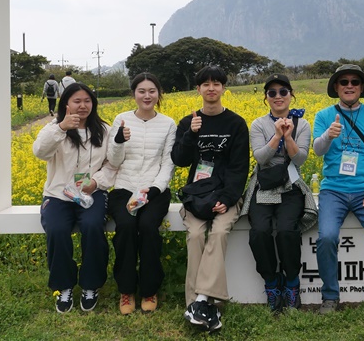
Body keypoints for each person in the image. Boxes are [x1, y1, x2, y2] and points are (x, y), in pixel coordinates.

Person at [312, 64, 364, 321]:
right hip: (333, 191)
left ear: (361, 88)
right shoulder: (324, 116)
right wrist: (328, 135)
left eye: (355, 82)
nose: (349, 85)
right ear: (336, 87)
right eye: (344, 82)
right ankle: (330, 295)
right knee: (326, 238)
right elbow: (317, 150)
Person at [172, 66, 249, 332]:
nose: (211, 88)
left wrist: (228, 198)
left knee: (218, 232)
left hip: (226, 195)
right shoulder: (188, 122)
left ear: (224, 88)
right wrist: (191, 135)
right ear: (198, 90)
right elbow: (179, 161)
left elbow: (240, 167)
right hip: (198, 196)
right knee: (194, 236)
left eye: (217, 83)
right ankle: (200, 304)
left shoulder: (236, 124)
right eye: (206, 84)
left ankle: (200, 301)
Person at [32, 82, 117, 313]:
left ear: (93, 104)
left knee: (92, 226)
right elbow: (40, 152)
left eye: (87, 101)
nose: (82, 106)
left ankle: (91, 285)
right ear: (66, 104)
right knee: (57, 230)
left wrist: (96, 182)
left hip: (91, 192)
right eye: (76, 101)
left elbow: (112, 165)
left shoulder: (105, 130)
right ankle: (64, 286)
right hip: (59, 194)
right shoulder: (54, 128)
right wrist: (61, 128)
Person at [239, 74, 318, 313]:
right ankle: (272, 283)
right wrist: (276, 135)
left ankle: (292, 283)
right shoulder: (258, 124)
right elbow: (260, 157)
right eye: (272, 93)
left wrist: (288, 135)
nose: (278, 96)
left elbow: (301, 158)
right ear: (266, 98)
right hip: (264, 185)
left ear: (291, 95)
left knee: (287, 230)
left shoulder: (302, 124)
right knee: (259, 232)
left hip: (290, 185)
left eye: (283, 91)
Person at [106, 72, 177, 315]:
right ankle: (127, 290)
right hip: (124, 188)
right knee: (125, 227)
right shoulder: (121, 120)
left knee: (148, 227)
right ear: (134, 94)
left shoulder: (168, 123)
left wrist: (156, 187)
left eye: (152, 91)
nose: (147, 96)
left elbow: (168, 162)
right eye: (141, 91)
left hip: (154, 191)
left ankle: (149, 290)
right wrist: (118, 141)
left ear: (159, 94)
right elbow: (114, 160)